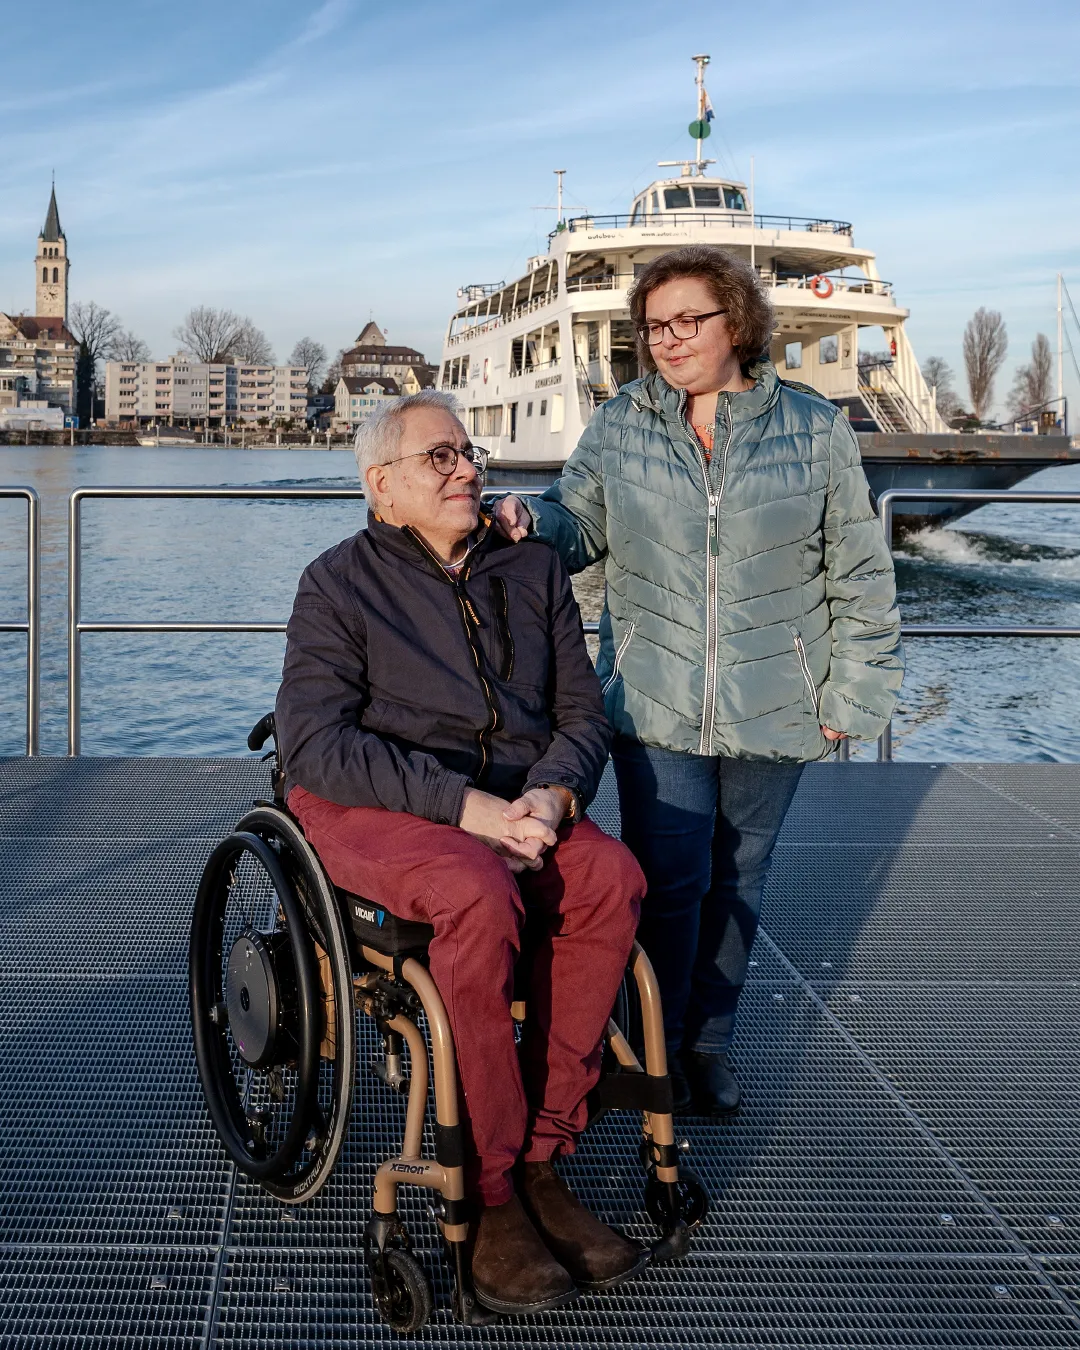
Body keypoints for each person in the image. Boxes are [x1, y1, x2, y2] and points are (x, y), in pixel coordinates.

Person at [495, 245, 903, 1117]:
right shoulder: (621, 425)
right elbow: (584, 528)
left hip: (780, 699)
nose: (671, 339)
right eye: (655, 326)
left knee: (740, 881)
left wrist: (853, 697)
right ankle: (652, 1048)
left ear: (738, 322)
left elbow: (859, 573)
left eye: (691, 320)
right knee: (667, 882)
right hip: (656, 697)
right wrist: (533, 519)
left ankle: (707, 1044)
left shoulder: (813, 428)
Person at [275, 390, 649, 1316]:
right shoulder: (337, 582)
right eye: (440, 458)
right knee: (477, 891)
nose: (468, 470)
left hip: (515, 800)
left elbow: (580, 714)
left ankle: (542, 1156)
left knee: (611, 876)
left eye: (467, 453)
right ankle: (483, 1190)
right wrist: (471, 809)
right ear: (383, 487)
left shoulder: (531, 572)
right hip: (378, 800)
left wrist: (552, 796)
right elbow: (316, 744)